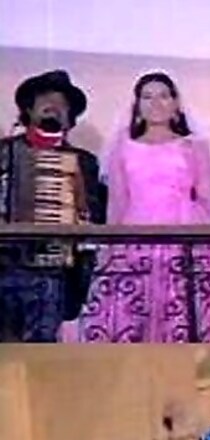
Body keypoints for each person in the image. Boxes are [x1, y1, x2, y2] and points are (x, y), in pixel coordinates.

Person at [67, 71, 210, 342]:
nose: (156, 103)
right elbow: (118, 202)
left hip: (186, 229)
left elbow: (207, 196)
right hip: (136, 232)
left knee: (189, 306)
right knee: (136, 307)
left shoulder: (194, 146)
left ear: (175, 103)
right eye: (148, 97)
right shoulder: (122, 148)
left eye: (164, 96)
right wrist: (110, 248)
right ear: (137, 105)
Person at [0, 70, 106, 342]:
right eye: (45, 99)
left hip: (50, 271)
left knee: (39, 351)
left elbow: (93, 218)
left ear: (70, 118)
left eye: (62, 103)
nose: (53, 106)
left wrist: (78, 212)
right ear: (28, 109)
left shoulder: (83, 162)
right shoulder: (4, 150)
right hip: (3, 266)